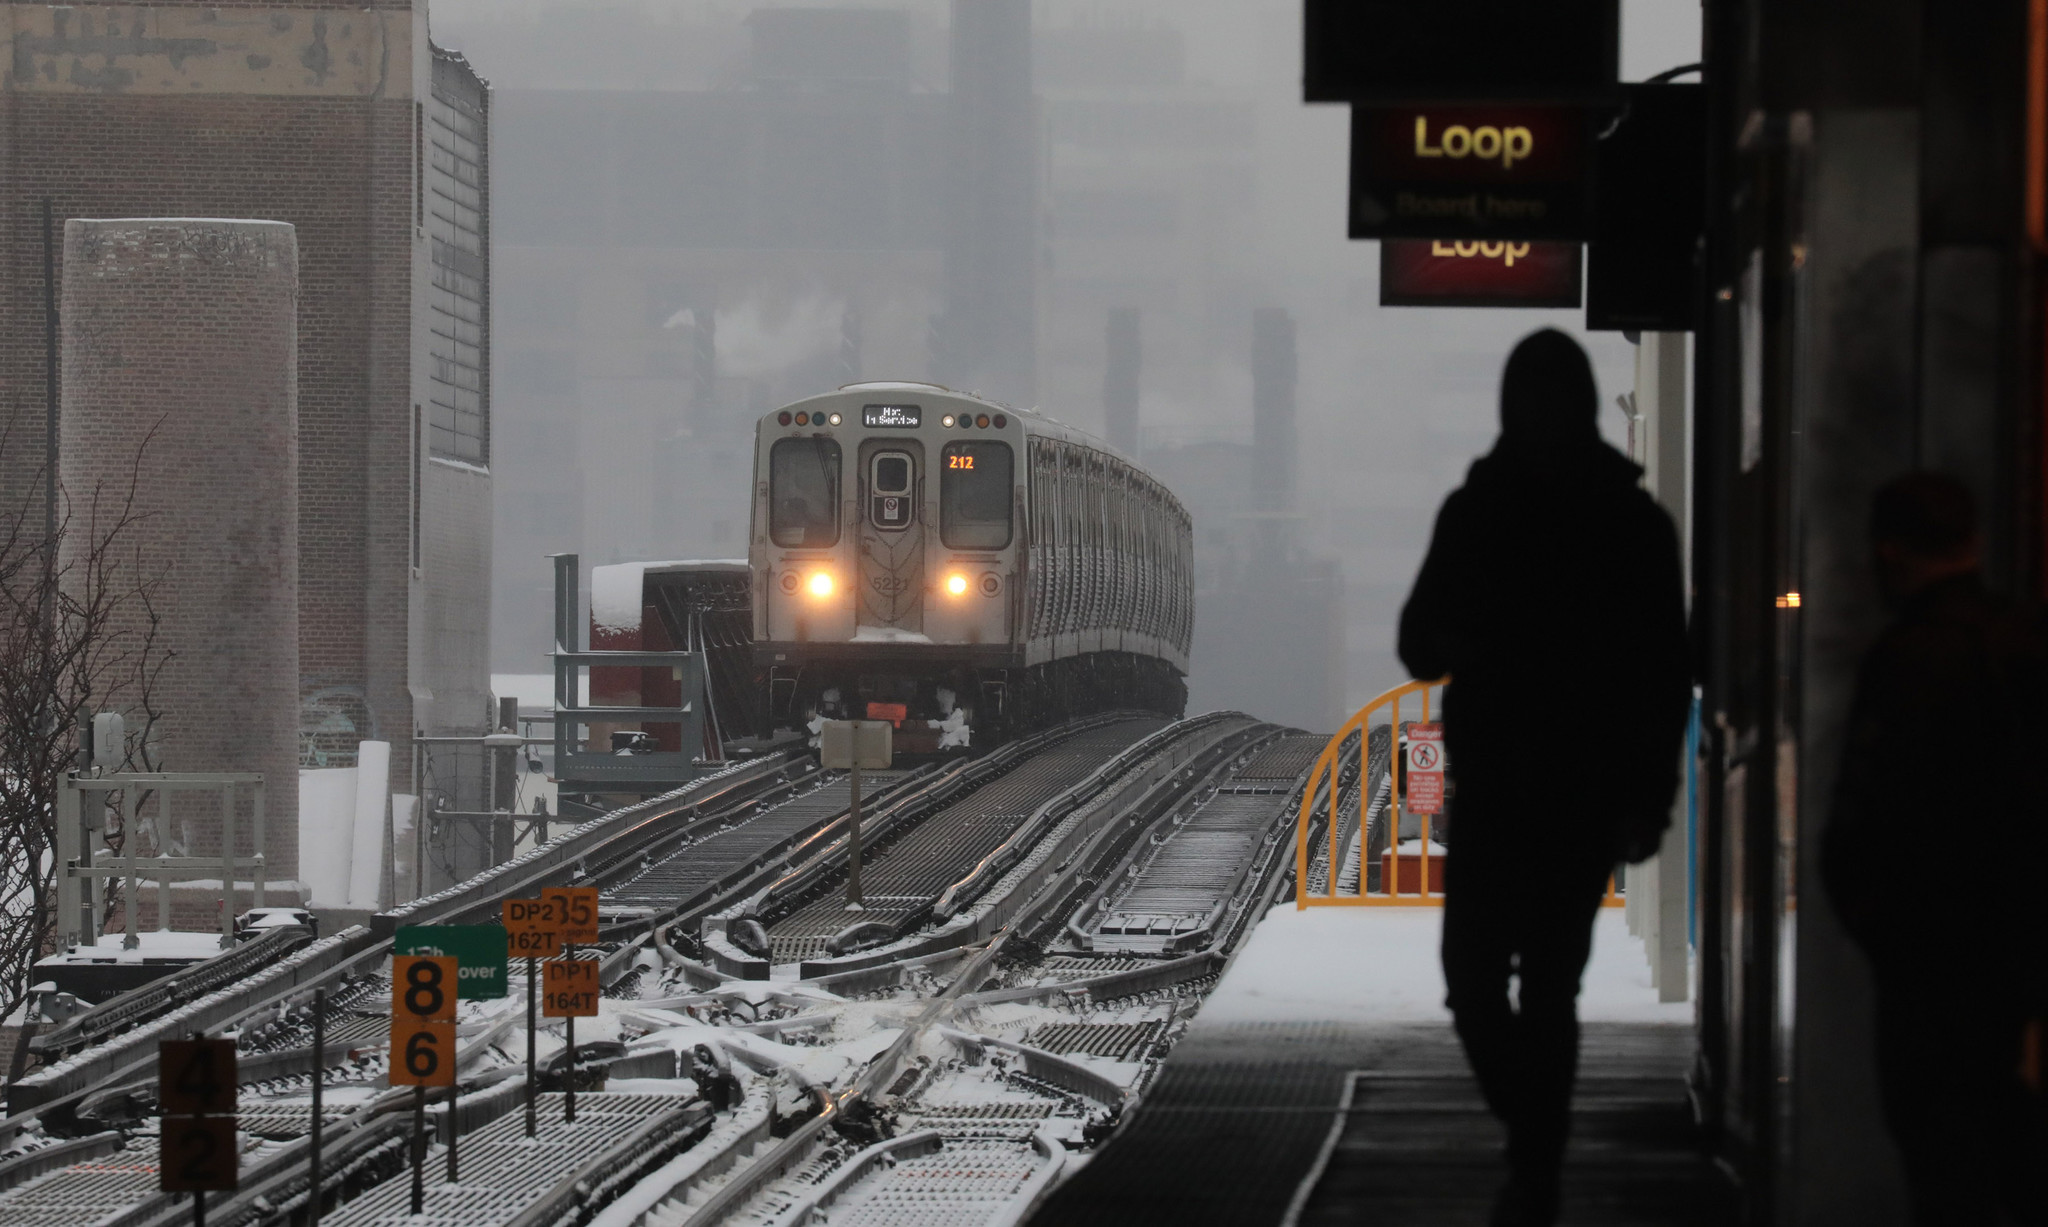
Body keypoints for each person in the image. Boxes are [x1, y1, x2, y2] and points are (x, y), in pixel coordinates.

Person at [1399, 328, 1691, 1226]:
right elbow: (1662, 674)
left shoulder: (1475, 511)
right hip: (1586, 796)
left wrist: (1470, 648)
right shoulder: (1637, 524)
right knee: (1551, 987)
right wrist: (1649, 800)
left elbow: (1416, 643)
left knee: (1474, 979)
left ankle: (1533, 1151)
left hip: (1501, 790)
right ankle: (1539, 1153)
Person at [1821, 472, 2048, 1227]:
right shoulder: (2027, 641)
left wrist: (1886, 932)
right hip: (2019, 953)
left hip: (1932, 958)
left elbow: (1860, 825)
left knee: (1942, 1157)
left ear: (1890, 553)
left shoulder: (1908, 660)